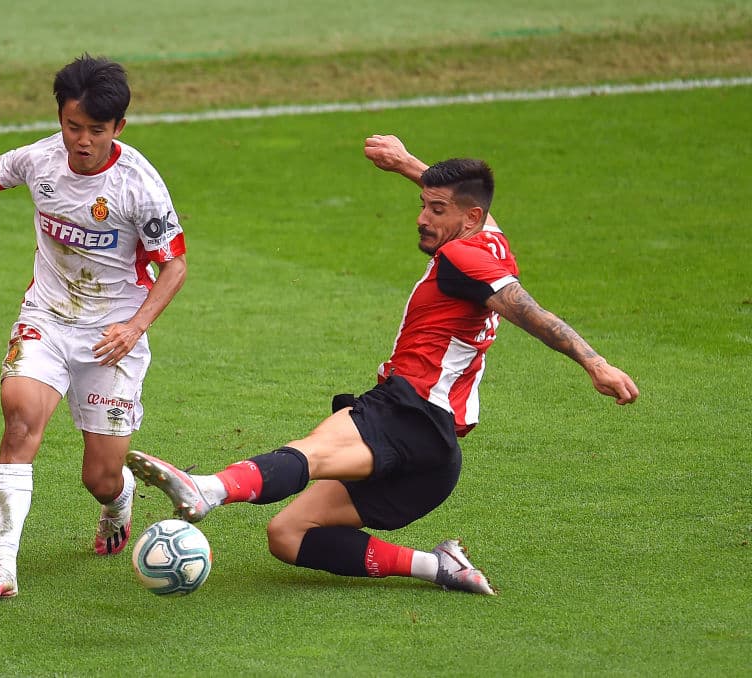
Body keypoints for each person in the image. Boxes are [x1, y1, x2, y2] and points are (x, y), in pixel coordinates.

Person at [127, 134, 638, 595]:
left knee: (313, 451)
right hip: (435, 461)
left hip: (410, 413)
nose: (422, 217)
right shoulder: (489, 238)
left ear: (469, 218)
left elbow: (531, 312)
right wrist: (405, 163)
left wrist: (595, 363)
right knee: (287, 536)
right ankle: (441, 567)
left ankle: (208, 490)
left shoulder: (466, 260)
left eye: (436, 210)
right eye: (423, 205)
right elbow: (456, 200)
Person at [0, 55, 187, 603]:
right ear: (60, 117)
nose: (81, 141)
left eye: (95, 131)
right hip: (47, 319)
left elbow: (174, 264)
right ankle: (2, 565)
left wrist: (135, 326)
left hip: (111, 337)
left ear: (118, 128)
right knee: (18, 420)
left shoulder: (140, 187)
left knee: (99, 476)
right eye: (72, 126)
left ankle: (116, 503)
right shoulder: (40, 159)